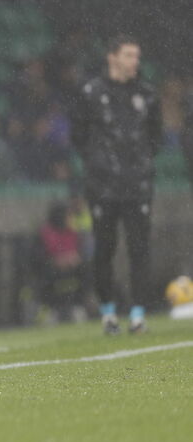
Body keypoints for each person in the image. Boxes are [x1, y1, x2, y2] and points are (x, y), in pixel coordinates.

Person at [70, 34, 161, 335]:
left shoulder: (147, 94)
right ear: (112, 57)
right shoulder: (91, 93)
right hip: (103, 186)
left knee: (139, 249)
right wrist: (99, 164)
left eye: (137, 56)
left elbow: (155, 138)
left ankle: (137, 315)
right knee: (104, 250)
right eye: (129, 55)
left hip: (137, 185)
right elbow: (78, 136)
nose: (135, 61)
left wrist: (140, 166)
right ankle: (108, 313)